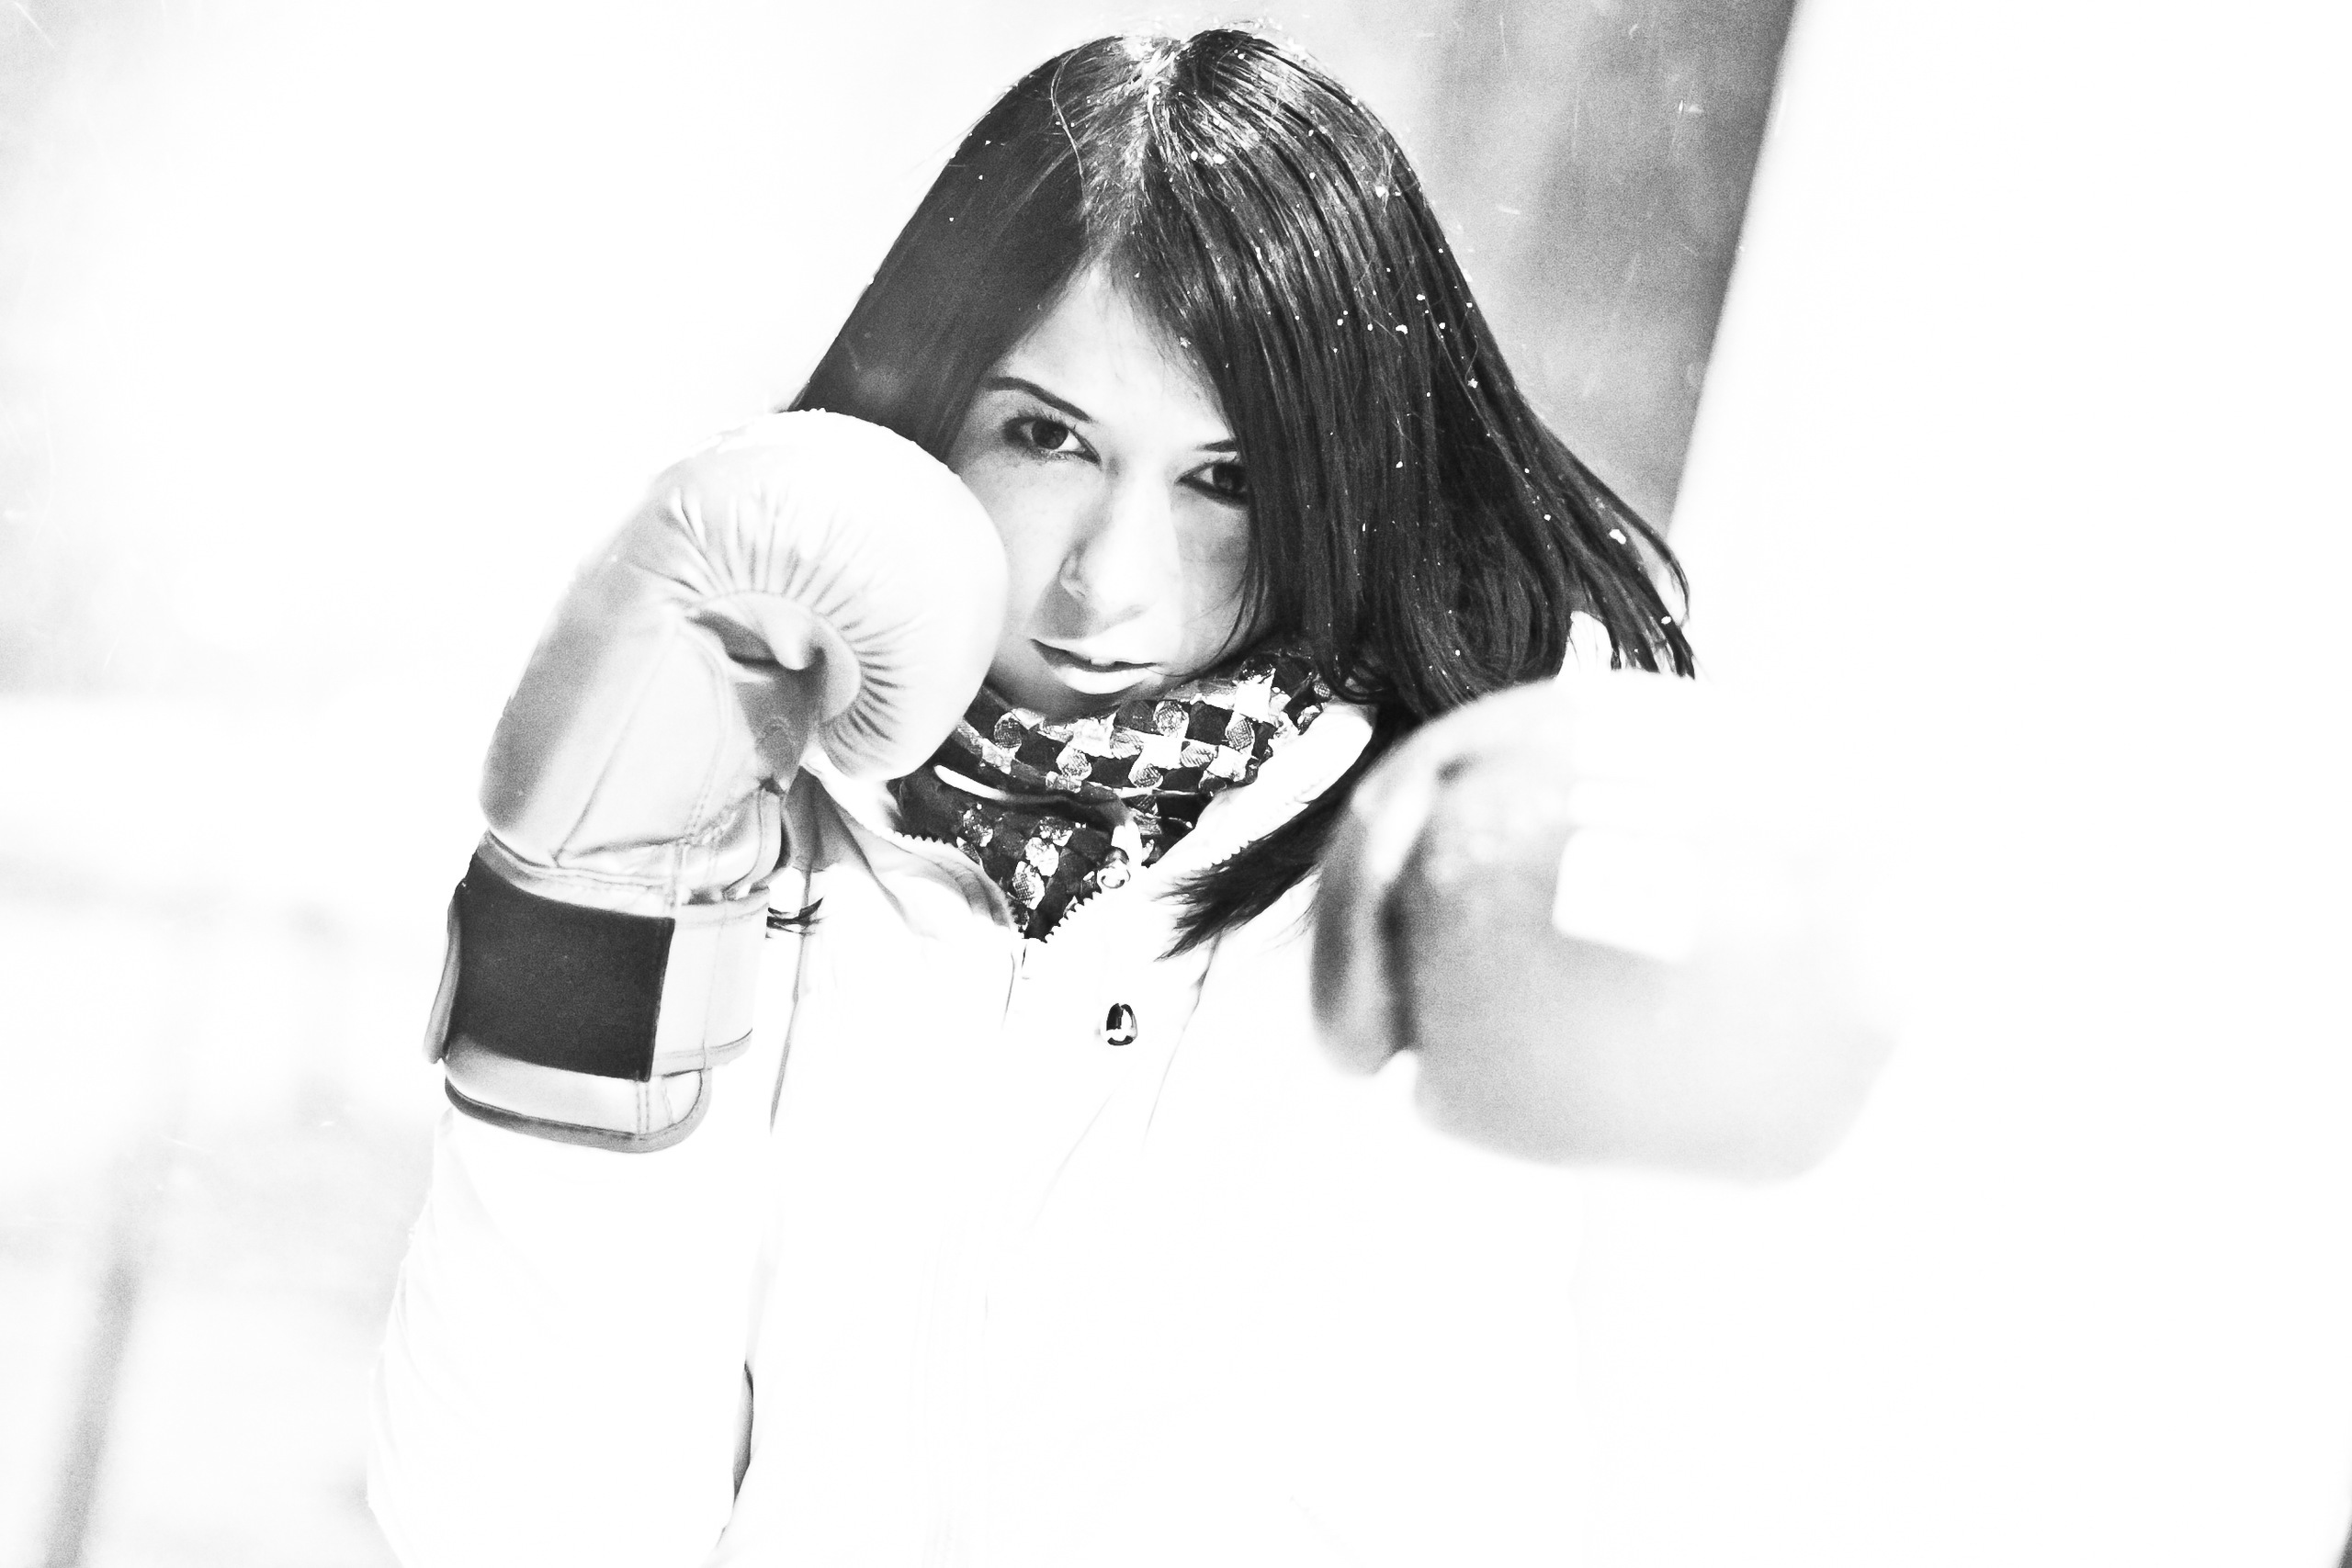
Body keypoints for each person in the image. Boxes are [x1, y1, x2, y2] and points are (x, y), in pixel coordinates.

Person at [369, 28, 1755, 1567]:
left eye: (1226, 480)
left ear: (1341, 483)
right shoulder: (744, 828)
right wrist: (591, 922)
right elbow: (520, 1525)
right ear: (930, 402)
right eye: (1047, 436)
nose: (1113, 584)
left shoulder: (1452, 891)